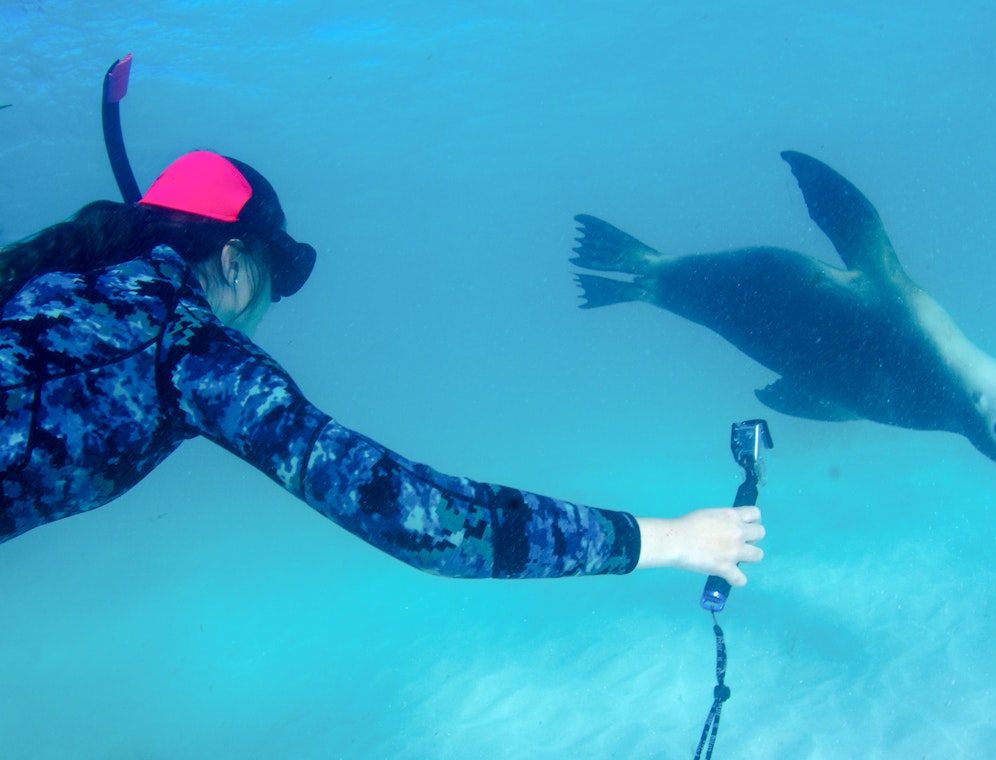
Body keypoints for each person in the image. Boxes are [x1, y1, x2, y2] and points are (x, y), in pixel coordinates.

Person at [0, 150, 764, 586]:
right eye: (275, 278)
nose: (266, 310)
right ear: (233, 259)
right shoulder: (186, 346)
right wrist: (664, 539)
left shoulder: (38, 283)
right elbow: (424, 520)